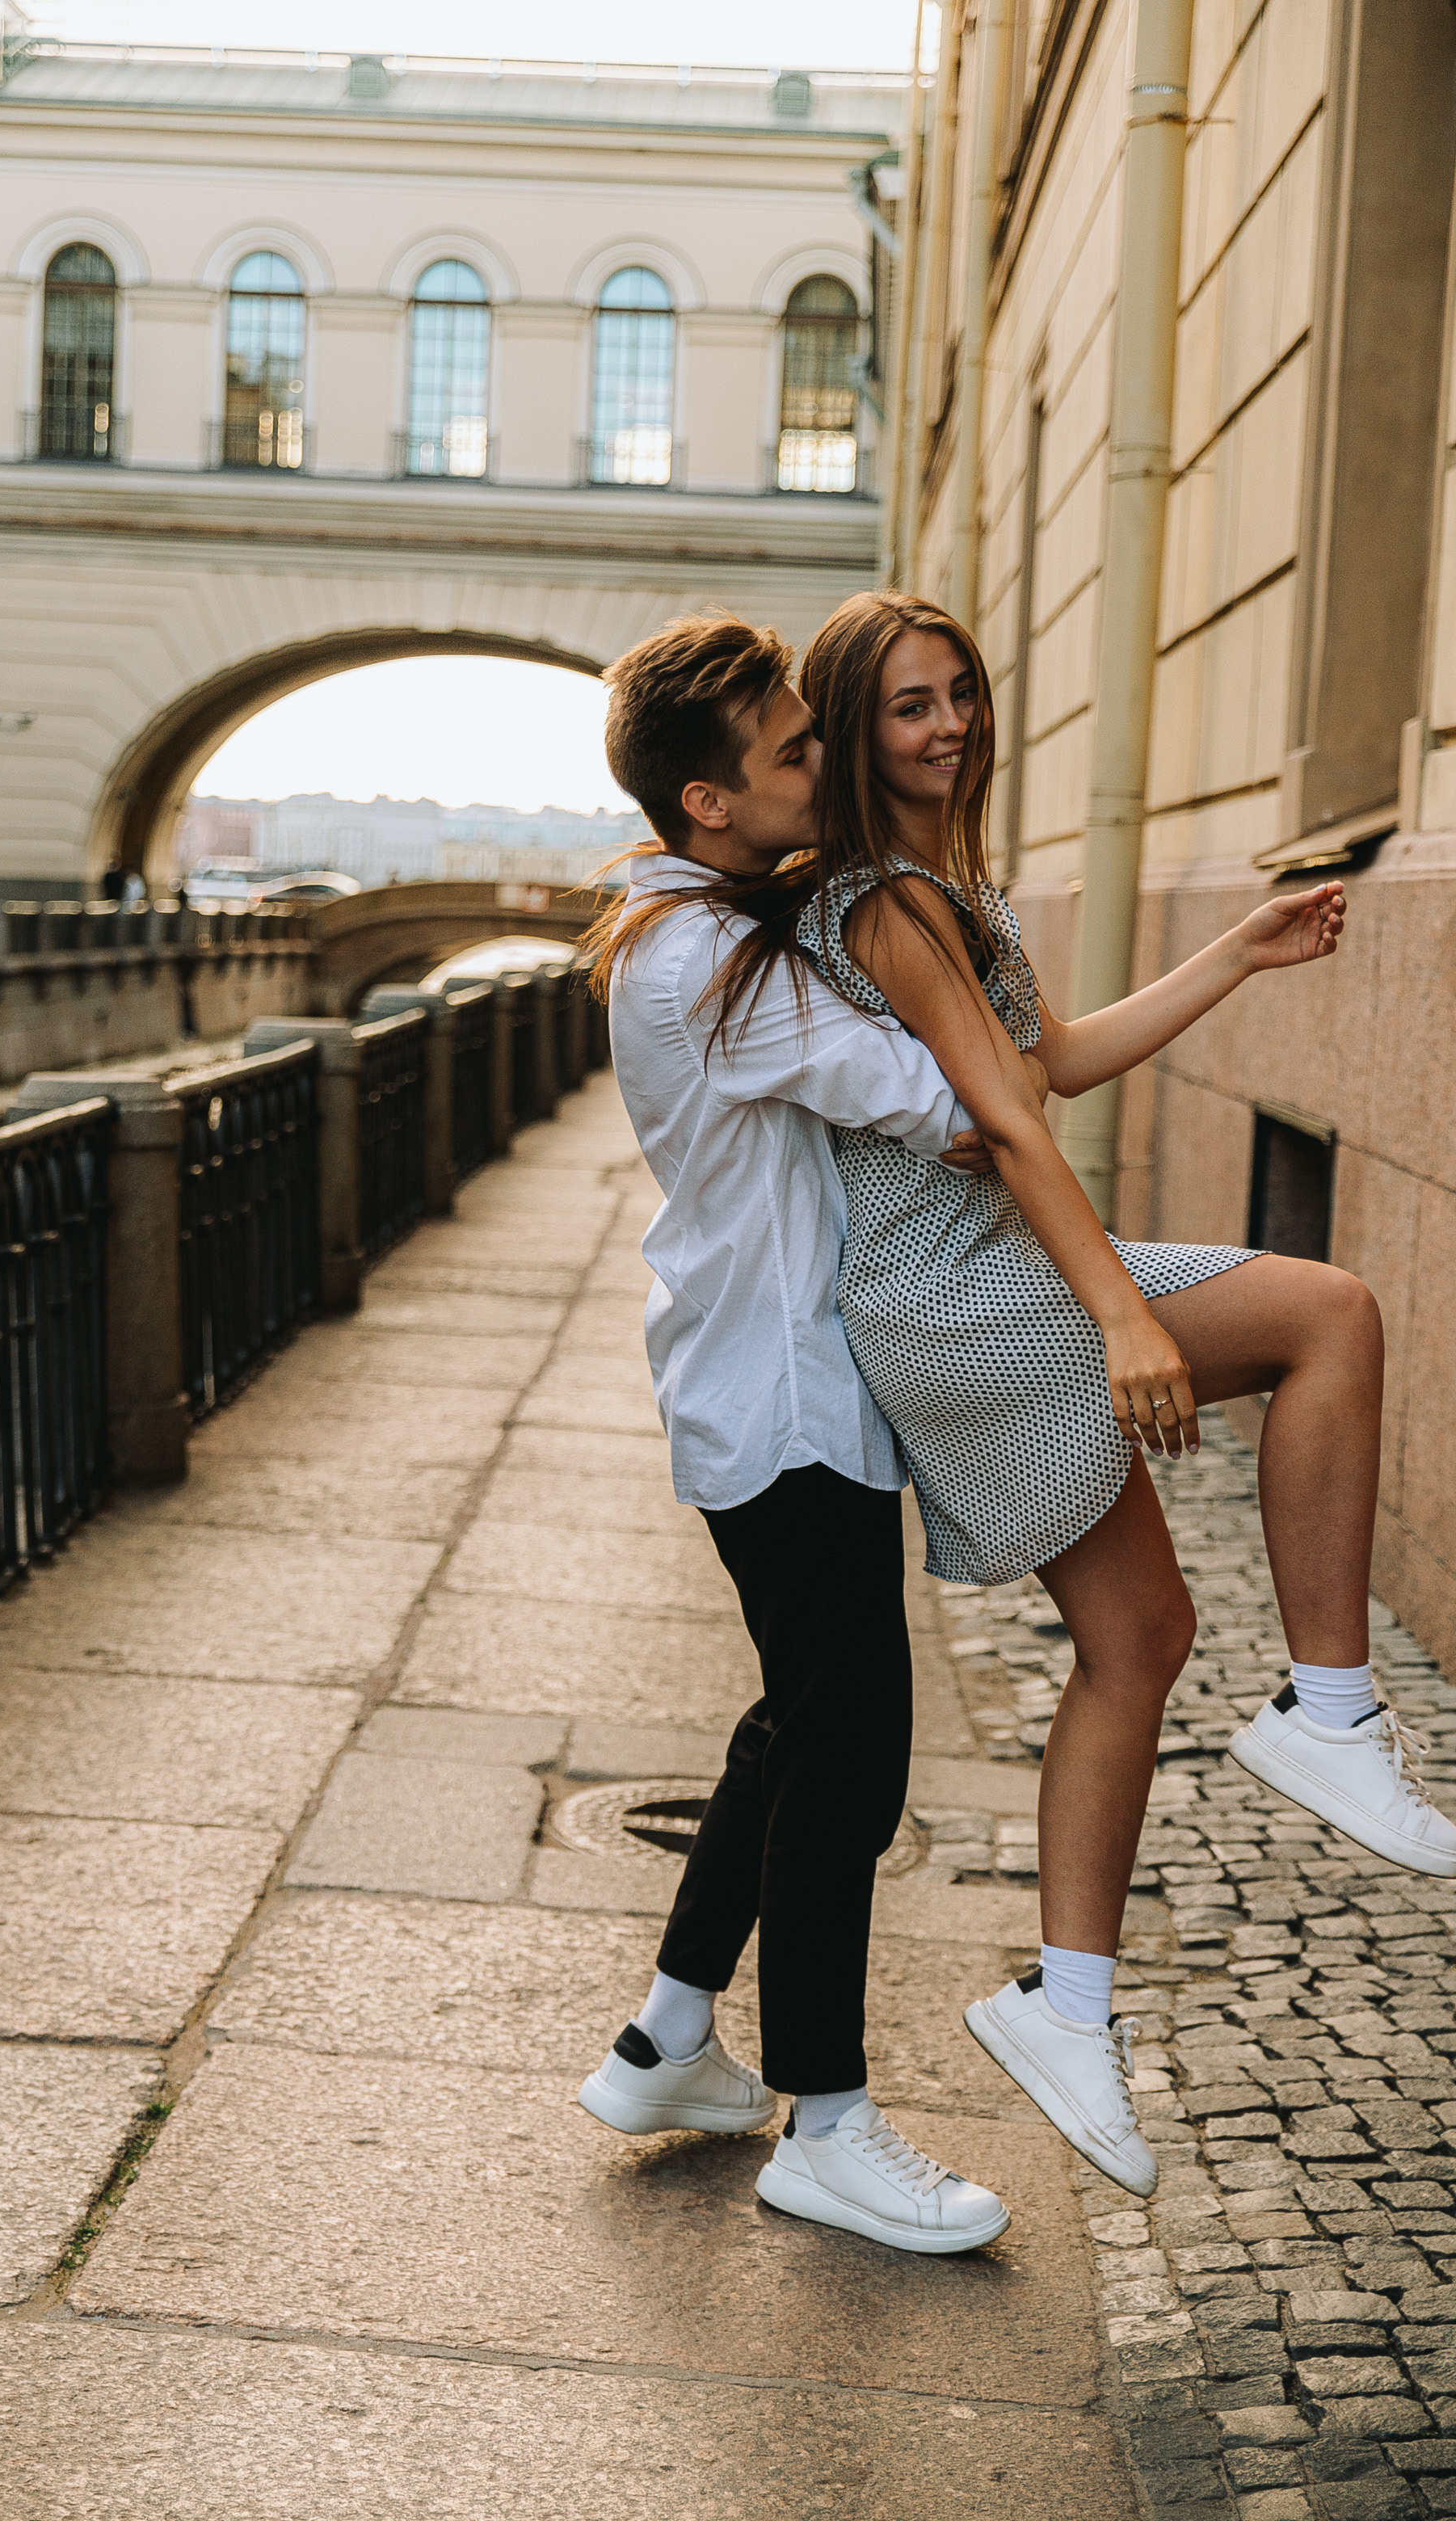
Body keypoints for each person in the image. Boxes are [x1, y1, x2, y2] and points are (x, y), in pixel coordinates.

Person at [767, 589, 1454, 2196]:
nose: (947, 727)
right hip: (965, 1297)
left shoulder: (941, 893)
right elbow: (1010, 1132)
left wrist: (1237, 949)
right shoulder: (883, 904)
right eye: (906, 708)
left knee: (1137, 1640)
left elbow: (1046, 1063)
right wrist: (1124, 1325)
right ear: (855, 736)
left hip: (974, 1286)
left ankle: (1060, 2011)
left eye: (959, 696)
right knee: (1326, 1314)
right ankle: (1329, 1715)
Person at [575, 613, 1029, 2255]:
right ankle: (824, 2128)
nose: (821, 761)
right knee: (849, 1761)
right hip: (779, 1404)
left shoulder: (680, 921)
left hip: (759, 1384)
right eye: (791, 749)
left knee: (795, 1720)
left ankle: (664, 2045)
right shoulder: (707, 962)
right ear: (708, 803)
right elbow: (942, 1097)